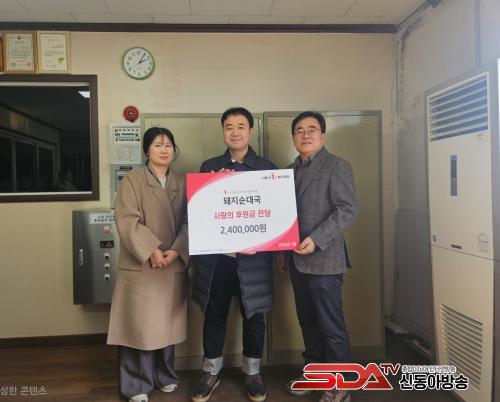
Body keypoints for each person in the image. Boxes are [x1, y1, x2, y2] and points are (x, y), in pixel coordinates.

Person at [191, 107, 277, 402]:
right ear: (223, 132)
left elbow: (276, 217)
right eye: (229, 127)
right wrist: (212, 185)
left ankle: (252, 372)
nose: (235, 132)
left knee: (254, 317)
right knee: (214, 314)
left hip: (254, 261)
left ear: (250, 131)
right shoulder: (209, 167)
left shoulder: (267, 169)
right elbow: (198, 212)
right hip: (218, 260)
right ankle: (210, 371)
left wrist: (262, 242)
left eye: (241, 126)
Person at [276, 111, 358, 402]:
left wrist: (316, 239)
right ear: (294, 138)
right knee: (308, 323)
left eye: (312, 129)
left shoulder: (337, 166)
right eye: (299, 130)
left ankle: (339, 385)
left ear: (323, 136)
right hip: (297, 261)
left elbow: (347, 209)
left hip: (325, 260)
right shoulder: (288, 171)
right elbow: (284, 216)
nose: (306, 134)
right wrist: (282, 250)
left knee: (331, 325)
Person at [107, 127, 189, 402]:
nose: (164, 150)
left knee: (166, 324)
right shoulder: (132, 180)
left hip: (171, 264)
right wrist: (152, 249)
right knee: (138, 326)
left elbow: (190, 222)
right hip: (142, 265)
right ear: (146, 150)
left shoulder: (182, 182)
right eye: (157, 145)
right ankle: (136, 384)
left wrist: (176, 250)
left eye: (168, 145)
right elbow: (126, 220)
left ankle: (165, 376)